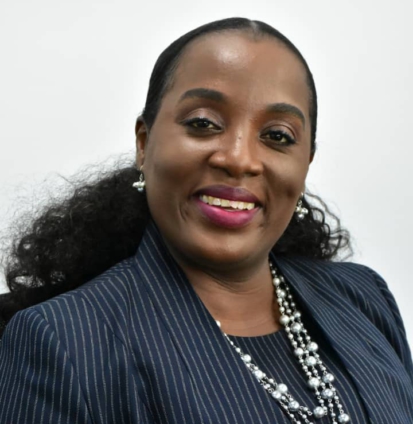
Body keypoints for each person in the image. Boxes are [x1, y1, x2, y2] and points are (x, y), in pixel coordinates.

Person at [0, 17, 412, 424]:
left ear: (305, 164)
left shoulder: (363, 298)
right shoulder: (65, 341)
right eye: (203, 123)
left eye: (277, 136)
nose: (239, 159)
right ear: (144, 144)